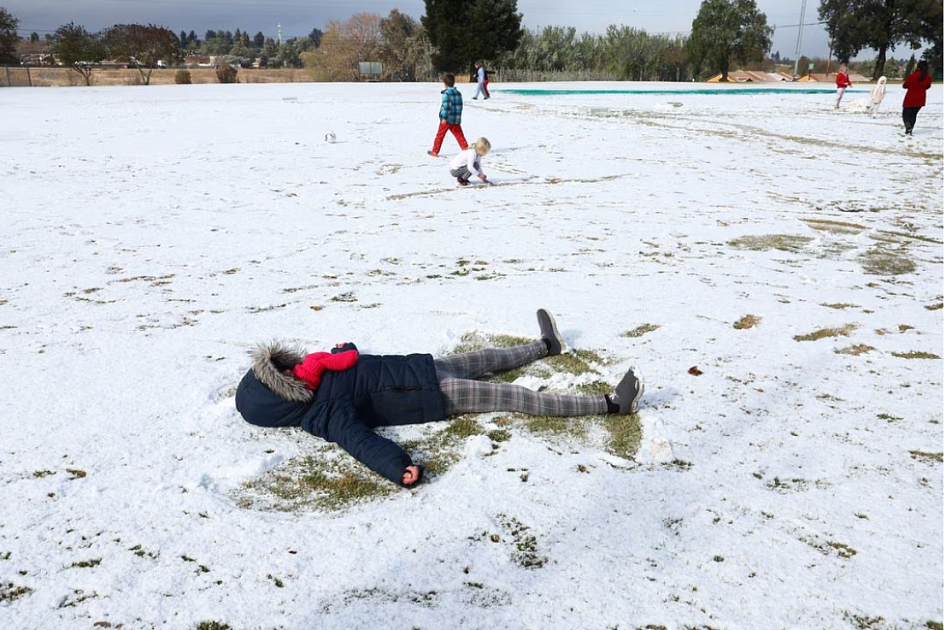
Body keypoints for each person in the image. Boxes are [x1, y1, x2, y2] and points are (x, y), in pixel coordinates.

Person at [235, 310, 645, 488]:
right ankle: (611, 404)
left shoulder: (315, 373)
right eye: (281, 375)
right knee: (514, 396)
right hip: (434, 395)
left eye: (282, 366)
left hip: (424, 368)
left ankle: (546, 346)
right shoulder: (323, 415)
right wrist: (399, 467)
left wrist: (348, 347)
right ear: (280, 397)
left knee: (487, 358)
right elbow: (361, 443)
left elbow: (355, 364)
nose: (290, 370)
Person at [427, 73, 468, 157]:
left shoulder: (446, 94)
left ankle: (435, 151)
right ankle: (466, 148)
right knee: (459, 135)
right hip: (456, 119)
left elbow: (446, 106)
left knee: (440, 135)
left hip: (447, 119)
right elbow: (460, 105)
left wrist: (444, 117)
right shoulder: (458, 93)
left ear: (445, 84)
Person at [901, 60, 932, 135]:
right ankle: (910, 129)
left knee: (906, 114)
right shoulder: (928, 77)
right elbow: (927, 86)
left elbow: (905, 86)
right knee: (913, 115)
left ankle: (907, 125)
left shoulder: (912, 76)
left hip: (910, 98)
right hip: (920, 99)